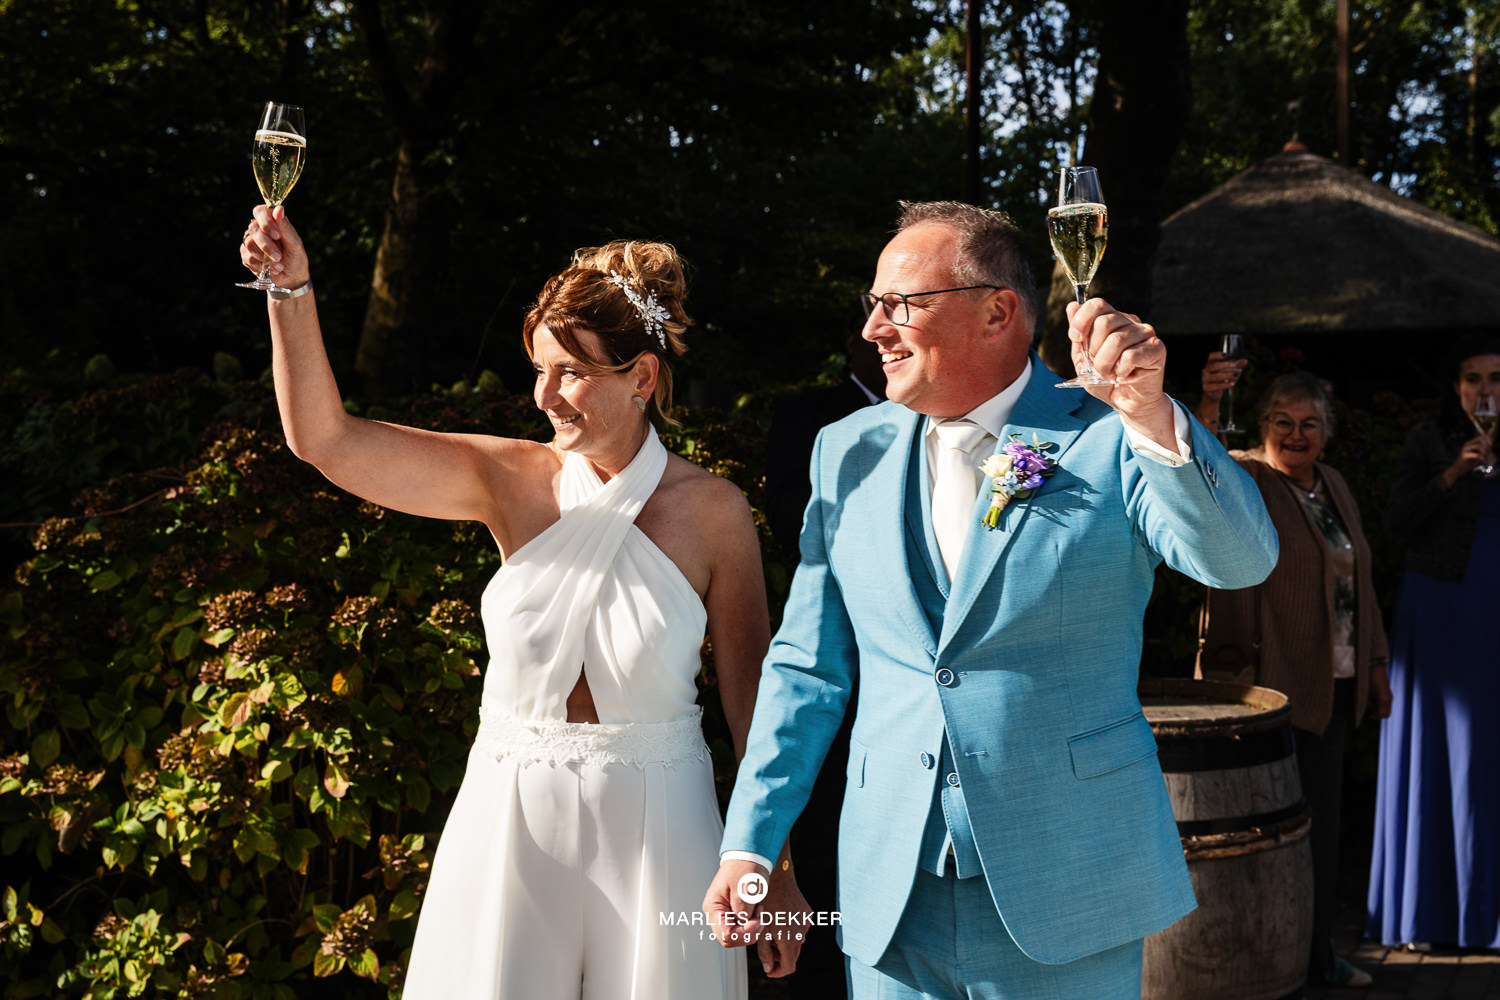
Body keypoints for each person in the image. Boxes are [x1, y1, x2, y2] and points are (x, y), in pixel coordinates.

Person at [702, 200, 1277, 999]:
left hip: (1068, 883)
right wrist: (751, 844)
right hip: (888, 890)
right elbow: (807, 667)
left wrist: (1150, 411)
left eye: (900, 305)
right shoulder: (845, 451)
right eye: (872, 304)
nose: (874, 328)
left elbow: (1240, 560)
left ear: (997, 311)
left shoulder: (1110, 432)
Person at [239, 204, 807, 998]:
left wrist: (769, 868)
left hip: (663, 830)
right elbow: (324, 440)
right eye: (538, 368)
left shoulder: (715, 513)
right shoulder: (507, 480)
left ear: (642, 377)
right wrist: (288, 290)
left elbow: (753, 707)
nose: (545, 395)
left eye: (571, 371)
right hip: (508, 819)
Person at [1196, 370, 1393, 989]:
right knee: (1270, 835)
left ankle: (1317, 958)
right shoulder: (1251, 477)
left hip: (1335, 684)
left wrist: (1379, 663)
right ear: (1263, 430)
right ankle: (1272, 963)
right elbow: (1199, 463)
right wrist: (1209, 400)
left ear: (1326, 435)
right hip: (1270, 689)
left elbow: (1359, 581)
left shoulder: (1332, 484)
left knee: (1321, 832)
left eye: (1309, 424)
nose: (1296, 434)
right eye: (1283, 422)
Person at [762, 321, 885, 1000]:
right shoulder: (810, 417)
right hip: (840, 656)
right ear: (849, 342)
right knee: (827, 834)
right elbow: (787, 515)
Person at [1367, 337, 1500, 951]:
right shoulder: (1429, 441)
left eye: (1495, 378)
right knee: (1451, 751)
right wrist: (1453, 472)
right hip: (1442, 609)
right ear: (1457, 388)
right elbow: (1396, 525)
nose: (1484, 390)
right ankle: (1433, 913)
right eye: (1472, 378)